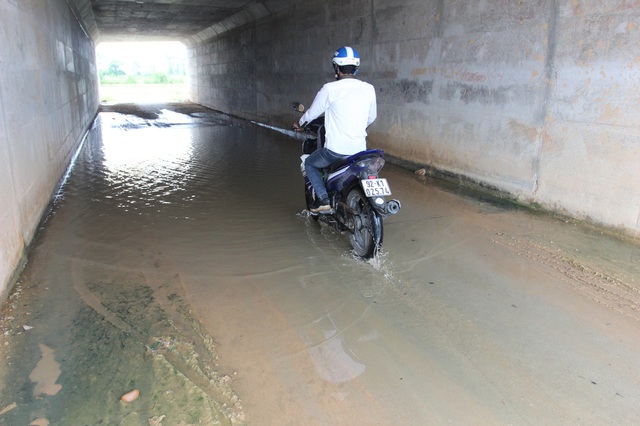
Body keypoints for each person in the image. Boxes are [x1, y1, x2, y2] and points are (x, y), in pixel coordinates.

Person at [293, 46, 377, 213]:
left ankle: (323, 199)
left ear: (336, 68)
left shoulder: (330, 89)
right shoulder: (369, 88)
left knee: (309, 163)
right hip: (360, 151)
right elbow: (371, 117)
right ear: (356, 68)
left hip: (335, 151)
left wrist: (299, 123)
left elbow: (311, 113)